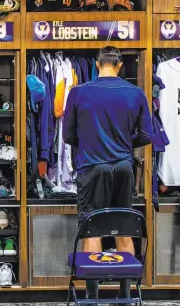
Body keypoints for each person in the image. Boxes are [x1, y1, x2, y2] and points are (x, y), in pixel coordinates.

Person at [63, 46, 153, 304]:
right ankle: (125, 295)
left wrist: (91, 140)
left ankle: (93, 297)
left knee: (93, 230)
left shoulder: (78, 93)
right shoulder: (135, 93)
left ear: (96, 63)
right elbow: (147, 135)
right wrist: (124, 141)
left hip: (92, 166)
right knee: (124, 228)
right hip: (124, 167)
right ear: (120, 65)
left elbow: (68, 136)